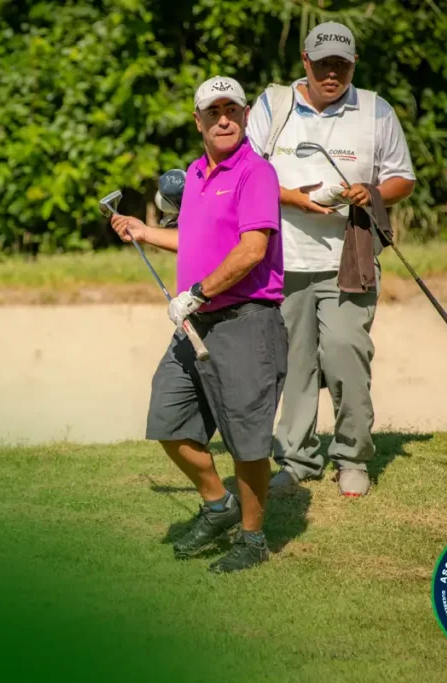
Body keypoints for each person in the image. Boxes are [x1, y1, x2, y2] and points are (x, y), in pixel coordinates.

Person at [108, 75, 287, 573]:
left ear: (245, 116)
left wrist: (198, 293)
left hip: (246, 320)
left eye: (232, 111)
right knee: (168, 418)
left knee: (247, 440)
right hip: (197, 321)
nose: (223, 120)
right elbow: (194, 238)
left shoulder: (256, 173)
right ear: (198, 121)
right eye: (213, 112)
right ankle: (218, 503)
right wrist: (146, 232)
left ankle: (252, 538)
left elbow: (252, 250)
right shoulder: (195, 173)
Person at [244, 22, 417, 497]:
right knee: (294, 365)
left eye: (341, 65)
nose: (332, 74)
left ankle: (352, 458)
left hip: (349, 257)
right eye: (323, 64)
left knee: (345, 355)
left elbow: (403, 178)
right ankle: (296, 460)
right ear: (305, 61)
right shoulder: (273, 105)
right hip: (282, 259)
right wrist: (292, 199)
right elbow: (247, 174)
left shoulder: (376, 110)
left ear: (354, 64)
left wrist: (371, 191)